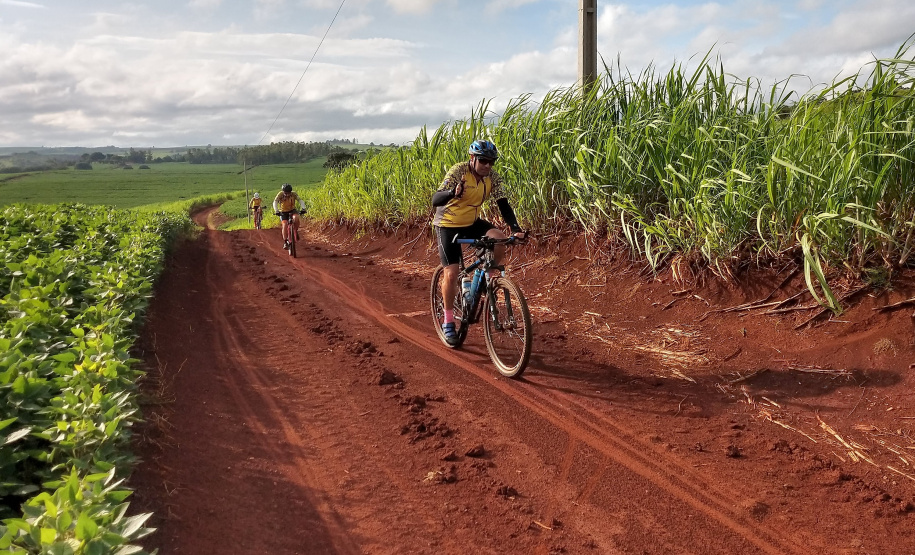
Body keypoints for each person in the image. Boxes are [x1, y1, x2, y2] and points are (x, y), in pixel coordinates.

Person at [431, 139, 526, 345]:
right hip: (448, 224)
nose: (487, 166)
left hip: (471, 222)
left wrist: (515, 228)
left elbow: (503, 204)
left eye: (492, 162)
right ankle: (448, 321)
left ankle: (487, 277)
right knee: (452, 273)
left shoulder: (493, 177)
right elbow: (435, 199)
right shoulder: (459, 171)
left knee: (498, 238)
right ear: (472, 158)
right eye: (483, 161)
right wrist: (452, 193)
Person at [273, 183, 305, 249]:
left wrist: (303, 208)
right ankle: (285, 242)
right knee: (284, 225)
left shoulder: (294, 194)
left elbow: (300, 200)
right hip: (283, 212)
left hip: (292, 210)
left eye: (289, 193)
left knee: (296, 218)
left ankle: (295, 231)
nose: (287, 194)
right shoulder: (280, 194)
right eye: (286, 193)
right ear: (283, 191)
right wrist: (276, 210)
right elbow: (275, 202)